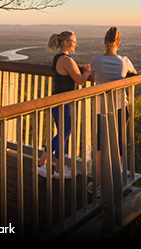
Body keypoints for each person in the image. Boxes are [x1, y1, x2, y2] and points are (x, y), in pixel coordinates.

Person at [88, 27, 136, 195]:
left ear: (104, 42)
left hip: (101, 109)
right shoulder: (124, 61)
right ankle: (116, 182)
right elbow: (135, 75)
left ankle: (99, 184)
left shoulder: (95, 61)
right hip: (121, 108)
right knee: (119, 145)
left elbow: (93, 77)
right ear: (119, 43)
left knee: (100, 146)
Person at [38, 30, 90, 179]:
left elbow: (70, 69)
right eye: (73, 41)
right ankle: (59, 170)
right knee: (65, 134)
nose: (76, 44)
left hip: (57, 101)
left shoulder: (58, 58)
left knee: (62, 133)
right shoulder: (66, 60)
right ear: (66, 43)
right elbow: (80, 80)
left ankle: (42, 163)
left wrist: (80, 67)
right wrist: (89, 71)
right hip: (64, 102)